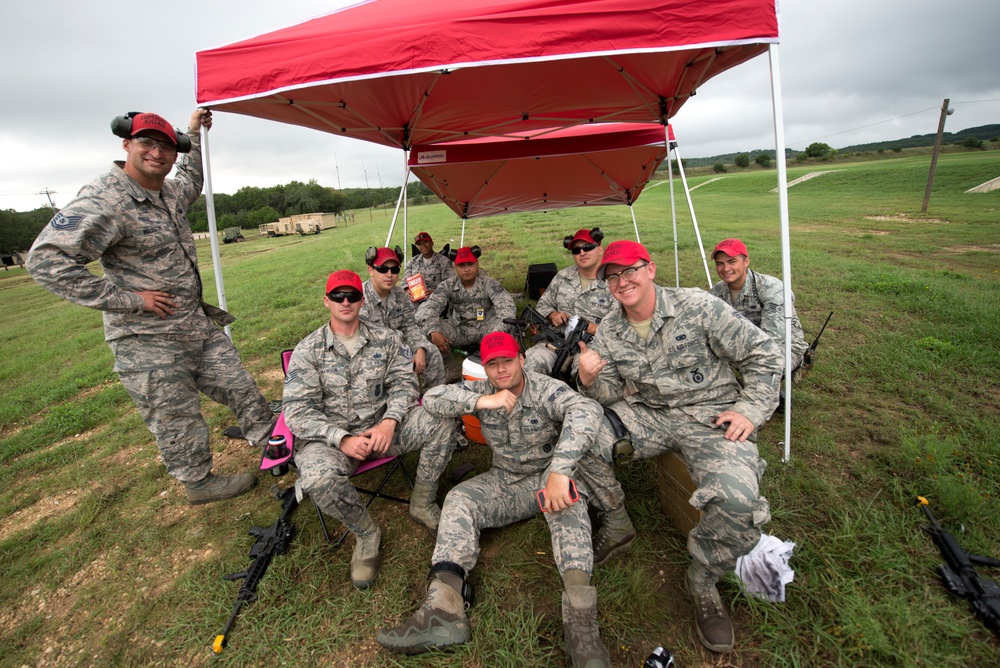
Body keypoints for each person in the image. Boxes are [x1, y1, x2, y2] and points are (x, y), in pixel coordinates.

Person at [26, 109, 274, 505]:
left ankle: (274, 445)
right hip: (147, 339)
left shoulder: (169, 192)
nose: (157, 153)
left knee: (240, 386)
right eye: (147, 143)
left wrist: (193, 133)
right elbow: (45, 262)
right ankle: (199, 482)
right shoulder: (105, 198)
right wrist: (131, 300)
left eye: (166, 147)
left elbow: (192, 178)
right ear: (127, 144)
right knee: (176, 415)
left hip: (194, 323)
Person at [576, 240, 783, 653]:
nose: (622, 281)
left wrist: (750, 408)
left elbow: (765, 353)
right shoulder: (611, 328)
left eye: (629, 270)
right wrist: (587, 378)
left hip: (712, 417)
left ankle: (703, 579)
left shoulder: (698, 306)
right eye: (612, 276)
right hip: (651, 414)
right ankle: (617, 523)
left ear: (650, 269)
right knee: (579, 439)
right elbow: (609, 392)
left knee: (739, 503)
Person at [377, 332, 612, 667]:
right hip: (508, 482)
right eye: (492, 364)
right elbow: (431, 398)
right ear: (485, 368)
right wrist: (481, 402)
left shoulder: (545, 388)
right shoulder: (483, 390)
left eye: (507, 360)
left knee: (568, 508)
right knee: (459, 499)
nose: (501, 369)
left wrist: (560, 470)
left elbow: (586, 408)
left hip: (551, 477)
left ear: (522, 359)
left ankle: (582, 628)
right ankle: (443, 612)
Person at [282, 270, 459, 589]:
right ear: (327, 301)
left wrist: (390, 422)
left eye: (351, 295)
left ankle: (422, 502)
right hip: (331, 442)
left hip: (384, 431)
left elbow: (405, 384)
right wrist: (342, 438)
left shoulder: (387, 339)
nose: (345, 301)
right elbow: (296, 411)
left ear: (362, 300)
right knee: (317, 477)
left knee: (443, 420)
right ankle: (366, 533)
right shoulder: (308, 350)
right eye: (338, 296)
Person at [525, 227, 615, 376]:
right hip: (555, 340)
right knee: (531, 363)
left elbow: (619, 329)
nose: (582, 253)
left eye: (588, 247)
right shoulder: (563, 276)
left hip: (591, 346)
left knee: (592, 375)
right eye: (576, 250)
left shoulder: (614, 282)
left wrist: (589, 327)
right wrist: (553, 315)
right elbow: (542, 305)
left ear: (600, 249)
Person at [710, 238, 808, 374]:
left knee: (760, 366)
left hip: (784, 347)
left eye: (732, 261)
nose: (726, 269)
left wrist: (729, 349)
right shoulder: (717, 291)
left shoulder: (773, 289)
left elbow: (773, 339)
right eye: (720, 264)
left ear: (746, 262)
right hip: (739, 343)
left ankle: (763, 394)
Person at [360, 246, 446, 390]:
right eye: (383, 269)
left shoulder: (400, 295)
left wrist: (419, 348)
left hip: (399, 345)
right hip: (372, 353)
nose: (389, 274)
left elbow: (410, 326)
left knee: (431, 351)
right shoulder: (359, 298)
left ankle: (434, 397)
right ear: (371, 270)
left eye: (394, 270)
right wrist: (399, 353)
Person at [415, 246, 516, 356]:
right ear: (455, 267)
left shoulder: (488, 283)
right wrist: (434, 330)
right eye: (461, 265)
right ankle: (441, 359)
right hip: (460, 329)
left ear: (477, 264)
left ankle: (498, 354)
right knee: (425, 329)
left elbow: (507, 306)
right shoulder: (447, 285)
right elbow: (431, 306)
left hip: (488, 329)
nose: (467, 269)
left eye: (470, 264)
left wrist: (497, 332)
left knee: (509, 328)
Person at [404, 231, 454, 299]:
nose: (423, 245)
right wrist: (407, 290)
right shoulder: (412, 262)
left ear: (432, 243)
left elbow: (450, 283)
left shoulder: (444, 261)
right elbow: (405, 281)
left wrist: (436, 291)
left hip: (437, 298)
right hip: (414, 298)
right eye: (420, 244)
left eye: (426, 242)